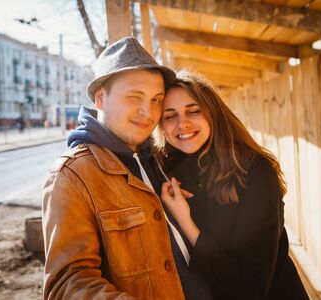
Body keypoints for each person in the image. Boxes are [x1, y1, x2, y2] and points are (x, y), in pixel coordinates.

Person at [42, 38, 212, 299]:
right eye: (134, 97)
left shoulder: (153, 158)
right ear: (100, 98)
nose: (148, 111)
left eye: (156, 99)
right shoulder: (73, 175)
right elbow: (67, 284)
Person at [156, 70, 309, 299]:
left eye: (194, 111)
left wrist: (186, 222)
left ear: (213, 114)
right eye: (170, 116)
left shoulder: (253, 172)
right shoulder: (166, 173)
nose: (182, 123)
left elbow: (249, 289)